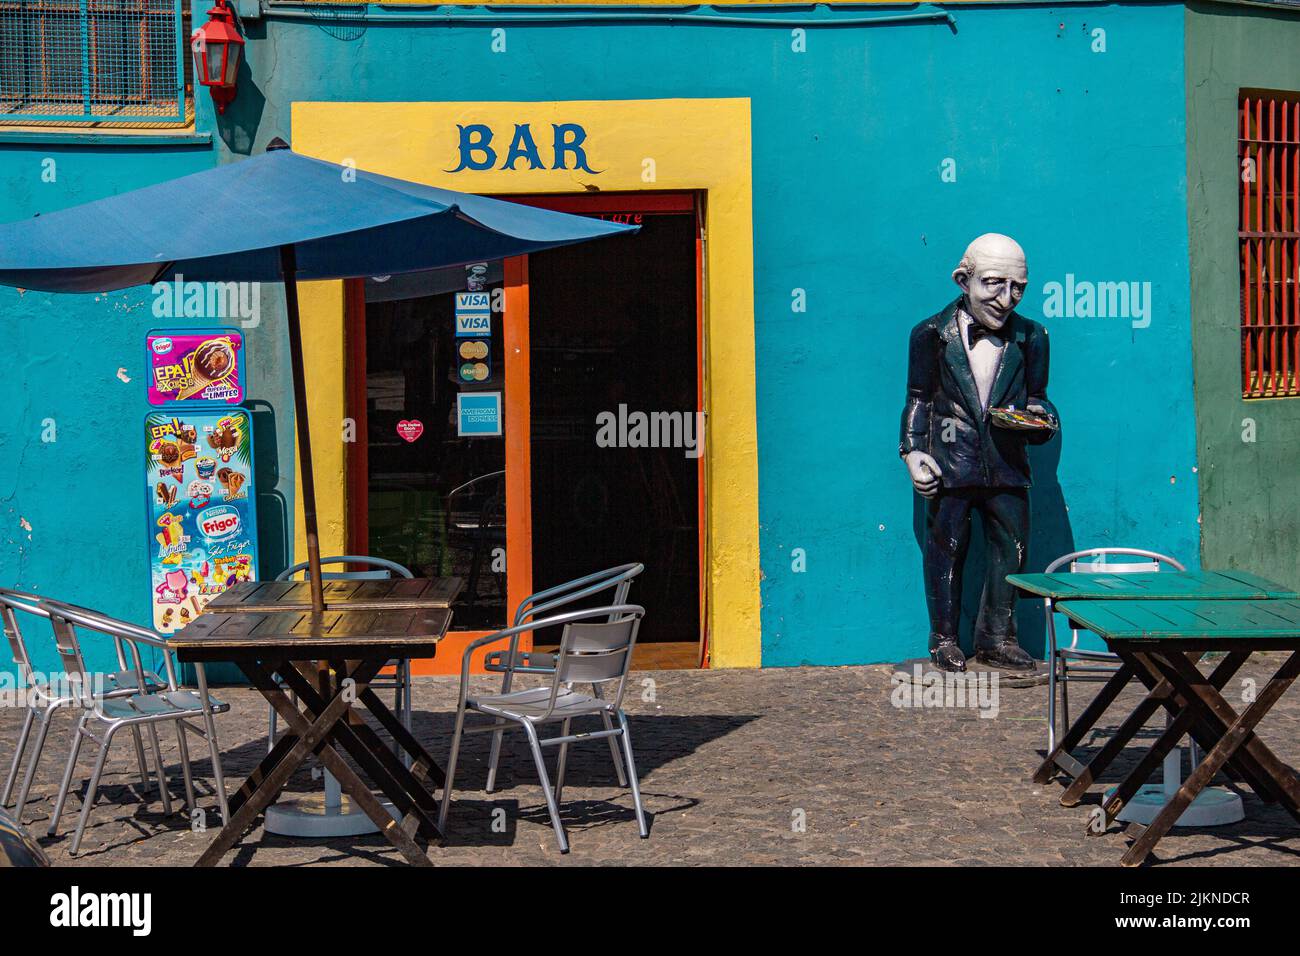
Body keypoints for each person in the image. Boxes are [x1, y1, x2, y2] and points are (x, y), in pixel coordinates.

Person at [899, 234, 1058, 672]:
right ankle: (944, 638)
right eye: (993, 283)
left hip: (1007, 466)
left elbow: (1040, 398)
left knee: (1010, 549)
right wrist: (913, 452)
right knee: (945, 548)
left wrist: (1040, 420)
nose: (1006, 299)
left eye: (1018, 287)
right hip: (950, 465)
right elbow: (919, 400)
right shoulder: (930, 335)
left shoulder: (1034, 337)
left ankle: (996, 638)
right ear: (962, 280)